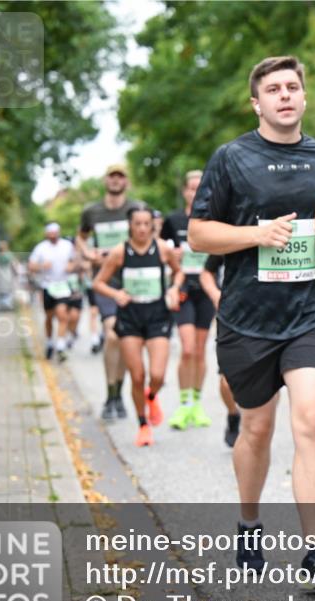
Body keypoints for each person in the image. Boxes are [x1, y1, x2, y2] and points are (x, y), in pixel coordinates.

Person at [188, 55, 315, 584]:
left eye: (293, 87)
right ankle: (250, 522)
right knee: (255, 428)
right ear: (257, 102)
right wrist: (257, 235)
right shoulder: (231, 158)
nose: (284, 95)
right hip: (247, 318)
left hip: (312, 315)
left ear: (304, 97)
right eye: (273, 88)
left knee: (311, 420)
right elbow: (199, 235)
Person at [92, 205, 182, 447]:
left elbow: (179, 273)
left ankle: (151, 396)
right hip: (130, 317)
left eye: (146, 224)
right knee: (137, 375)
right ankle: (143, 425)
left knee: (158, 375)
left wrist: (173, 289)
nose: (142, 228)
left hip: (158, 315)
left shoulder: (162, 248)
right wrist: (116, 293)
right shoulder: (120, 252)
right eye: (137, 224)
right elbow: (98, 283)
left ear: (152, 225)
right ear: (129, 226)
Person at [81, 164, 142, 420]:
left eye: (121, 176)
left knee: (124, 338)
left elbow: (149, 235)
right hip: (104, 282)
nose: (116, 181)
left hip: (131, 283)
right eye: (112, 176)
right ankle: (110, 395)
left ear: (126, 182)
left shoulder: (136, 208)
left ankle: (118, 395)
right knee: (112, 334)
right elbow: (81, 237)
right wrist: (88, 254)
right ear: (105, 180)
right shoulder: (91, 211)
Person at [163, 170, 218, 431]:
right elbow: (160, 252)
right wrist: (171, 255)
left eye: (200, 187)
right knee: (186, 349)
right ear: (184, 191)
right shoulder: (172, 220)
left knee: (199, 349)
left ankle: (196, 403)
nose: (195, 192)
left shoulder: (214, 219)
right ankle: (183, 403)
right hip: (183, 288)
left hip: (206, 289)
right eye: (191, 188)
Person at [199, 254, 242, 447]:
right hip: (230, 316)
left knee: (269, 381)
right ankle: (233, 414)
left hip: (266, 316)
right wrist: (215, 294)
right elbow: (206, 273)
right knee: (226, 381)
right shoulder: (230, 237)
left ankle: (259, 425)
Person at [28, 223, 76, 362]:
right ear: (47, 234)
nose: (53, 236)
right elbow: (31, 266)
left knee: (62, 315)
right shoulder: (41, 248)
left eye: (55, 233)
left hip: (63, 286)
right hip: (48, 286)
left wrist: (70, 266)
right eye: (51, 233)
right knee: (49, 317)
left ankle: (60, 346)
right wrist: (42, 266)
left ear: (59, 233)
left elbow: (75, 261)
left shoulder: (67, 245)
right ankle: (49, 343)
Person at [73, 220, 103, 354]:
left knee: (102, 313)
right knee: (93, 312)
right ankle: (95, 339)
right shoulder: (78, 244)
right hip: (89, 284)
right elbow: (78, 262)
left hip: (102, 281)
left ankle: (102, 336)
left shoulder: (96, 241)